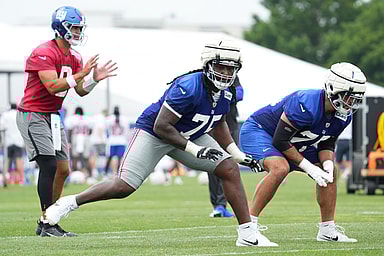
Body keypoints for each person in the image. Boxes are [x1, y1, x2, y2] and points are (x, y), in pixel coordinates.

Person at [45, 38, 278, 247]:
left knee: (229, 168)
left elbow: (219, 123)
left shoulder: (227, 92)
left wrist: (237, 154)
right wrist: (196, 150)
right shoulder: (188, 87)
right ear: (208, 66)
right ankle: (69, 203)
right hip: (155, 133)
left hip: (189, 134)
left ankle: (247, 233)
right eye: (221, 67)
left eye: (231, 68)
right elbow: (162, 126)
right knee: (123, 186)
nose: (226, 73)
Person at [16, 6, 118, 237]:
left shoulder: (74, 57)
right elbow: (52, 86)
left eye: (80, 28)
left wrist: (93, 79)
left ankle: (50, 218)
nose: (78, 32)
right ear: (60, 28)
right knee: (49, 165)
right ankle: (46, 221)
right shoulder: (44, 52)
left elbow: (80, 90)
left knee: (63, 169)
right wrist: (81, 74)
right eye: (74, 27)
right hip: (33, 113)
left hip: (52, 115)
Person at [239, 62, 366, 243]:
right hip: (261, 131)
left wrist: (327, 166)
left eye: (355, 98)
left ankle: (327, 230)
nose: (351, 103)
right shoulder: (306, 102)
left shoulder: (343, 115)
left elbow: (327, 143)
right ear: (333, 89)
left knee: (330, 173)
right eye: (348, 97)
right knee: (280, 167)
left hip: (294, 142)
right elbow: (280, 140)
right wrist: (308, 167)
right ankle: (248, 229)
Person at [208, 76, 243, 218]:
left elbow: (240, 93)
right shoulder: (207, 77)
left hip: (230, 127)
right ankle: (218, 206)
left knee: (230, 164)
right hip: (210, 127)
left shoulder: (232, 76)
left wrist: (223, 92)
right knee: (211, 165)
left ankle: (224, 205)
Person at [0, 103, 25, 185]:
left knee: (6, 162)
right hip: (18, 141)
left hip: (8, 141)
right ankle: (21, 180)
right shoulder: (19, 114)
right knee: (19, 161)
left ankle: (5, 180)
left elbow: (2, 126)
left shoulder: (5, 115)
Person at [65, 106, 91, 177]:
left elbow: (69, 130)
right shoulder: (87, 118)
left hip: (75, 137)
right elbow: (90, 130)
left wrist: (69, 141)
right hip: (85, 137)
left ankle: (75, 171)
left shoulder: (72, 119)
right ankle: (86, 172)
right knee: (85, 156)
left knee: (74, 156)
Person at [104, 106, 129, 176]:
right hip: (121, 140)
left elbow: (106, 130)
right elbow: (126, 131)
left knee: (109, 157)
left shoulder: (109, 119)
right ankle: (118, 173)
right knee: (119, 158)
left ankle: (105, 172)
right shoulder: (124, 119)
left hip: (112, 140)